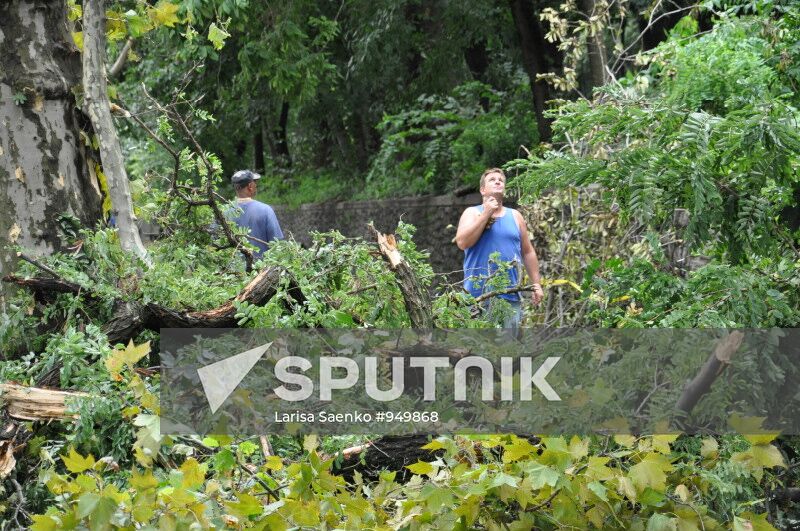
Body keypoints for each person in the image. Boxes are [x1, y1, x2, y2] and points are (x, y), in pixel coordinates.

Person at [455, 168, 543, 327]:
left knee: (508, 344)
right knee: (475, 343)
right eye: (492, 179)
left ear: (504, 189)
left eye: (500, 180)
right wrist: (486, 214)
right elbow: (462, 243)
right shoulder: (472, 213)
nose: (497, 181)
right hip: (476, 297)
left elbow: (528, 252)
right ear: (482, 190)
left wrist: (536, 284)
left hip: (510, 296)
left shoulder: (515, 216)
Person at [229, 169, 284, 259]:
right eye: (255, 182)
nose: (256, 185)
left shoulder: (223, 212)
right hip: (261, 267)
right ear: (250, 186)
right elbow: (277, 245)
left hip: (231, 267)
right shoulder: (265, 210)